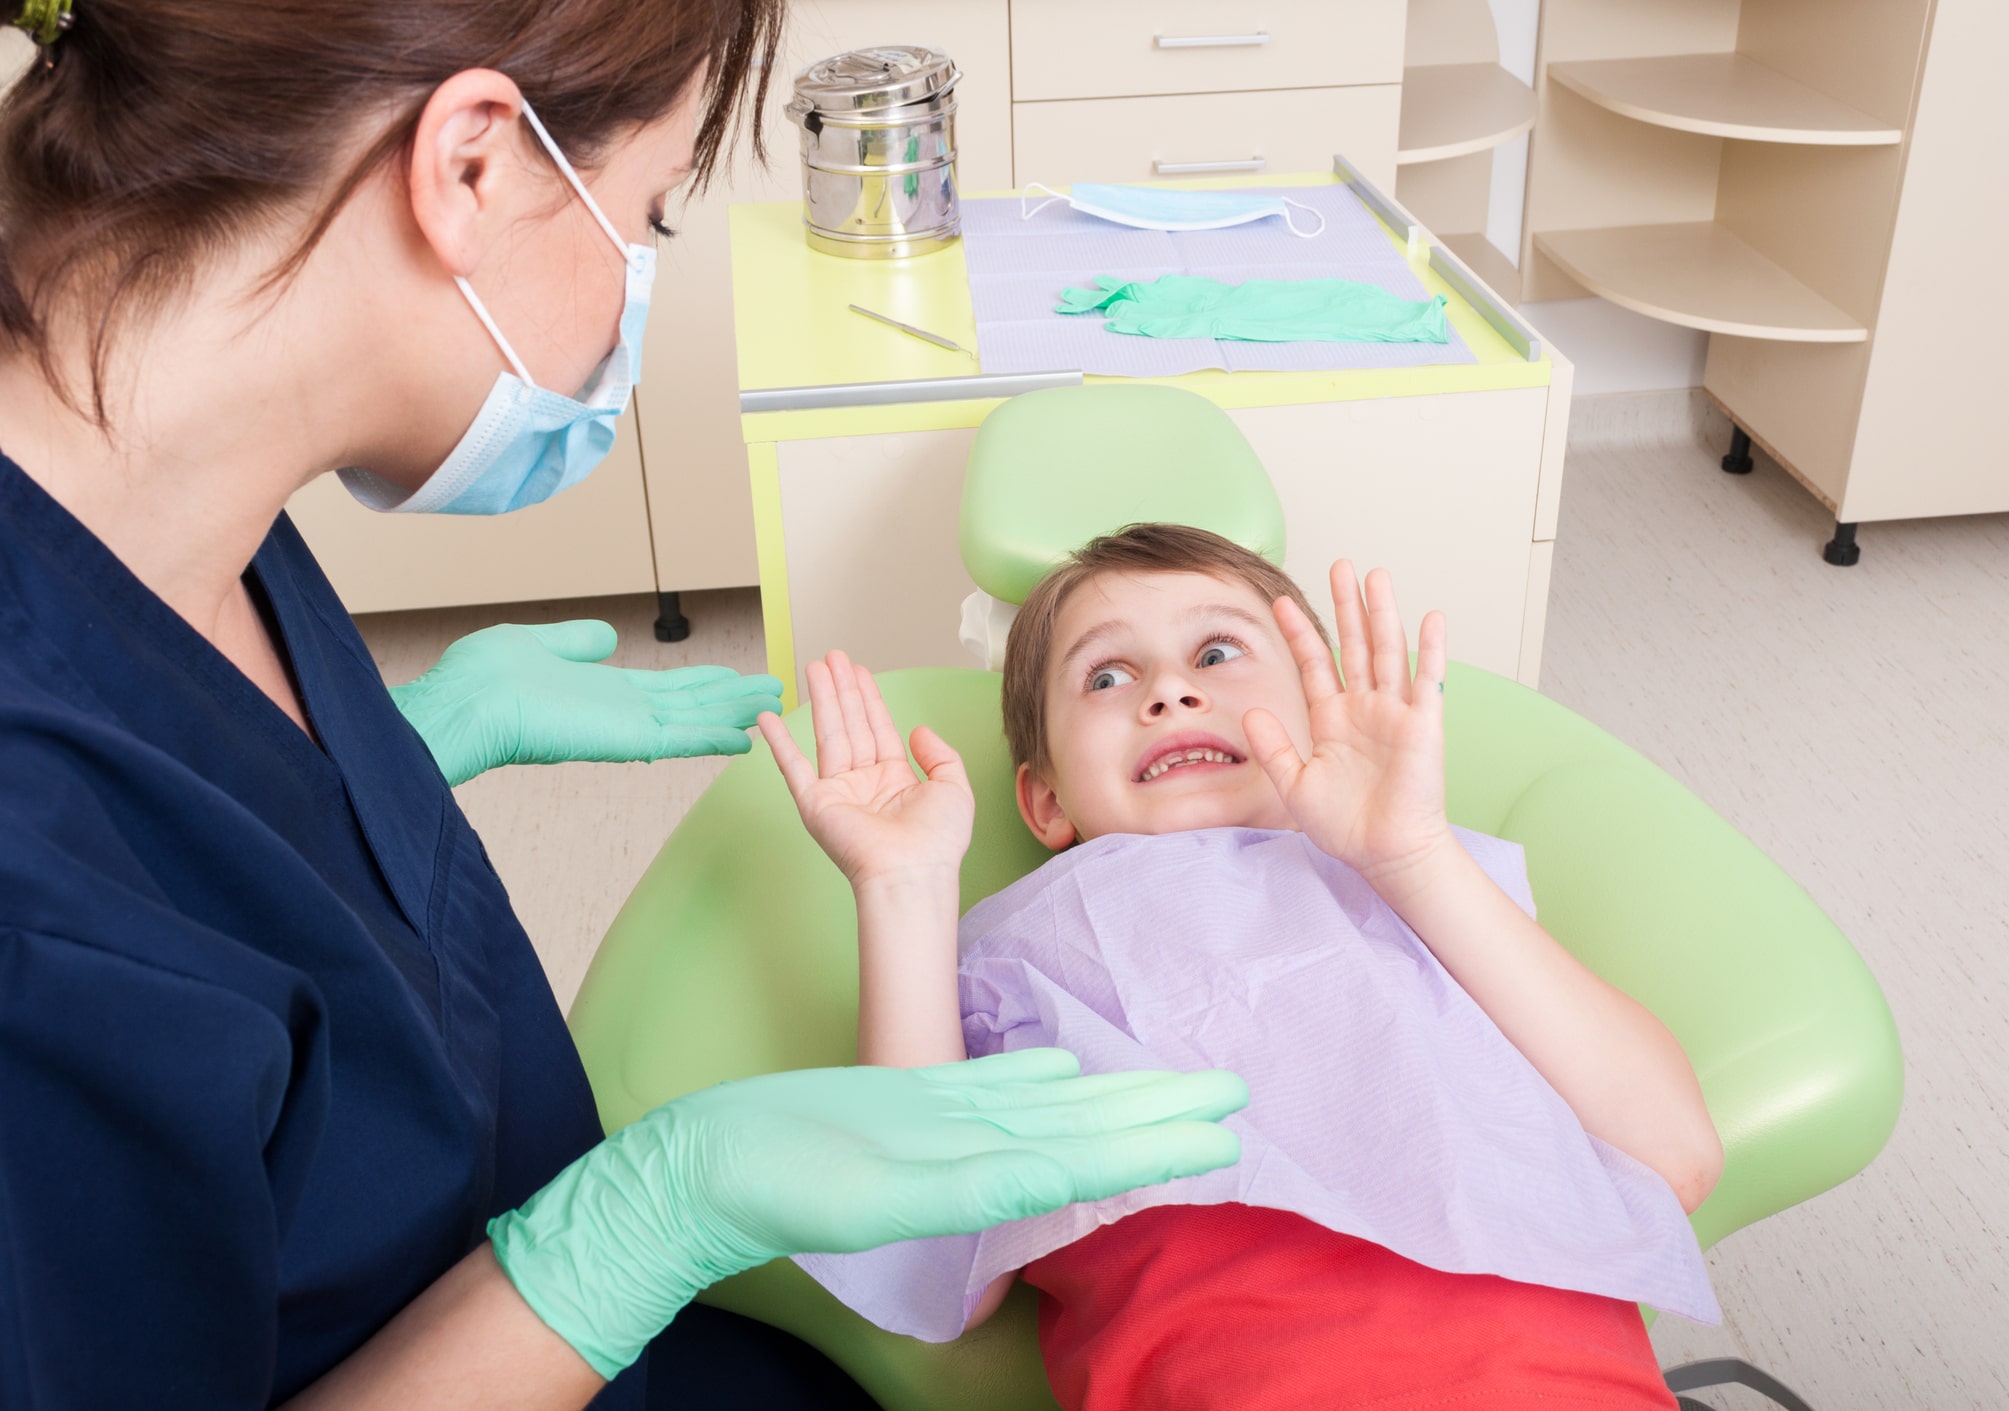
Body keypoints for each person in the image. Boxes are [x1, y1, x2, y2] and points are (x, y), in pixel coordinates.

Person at [0, 3, 1251, 1406]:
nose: (634, 283)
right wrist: (651, 1215)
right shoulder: (25, 883)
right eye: (649, 216)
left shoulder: (169, 505)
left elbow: (183, 866)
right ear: (472, 164)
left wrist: (392, 758)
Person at [760, 525, 1729, 1411]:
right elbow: (925, 1258)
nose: (1172, 692)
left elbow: (1673, 1153)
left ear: (1314, 712)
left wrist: (1415, 860)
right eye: (1106, 677)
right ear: (1045, 799)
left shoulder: (1421, 877)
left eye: (1217, 654)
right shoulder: (1022, 953)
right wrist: (902, 890)